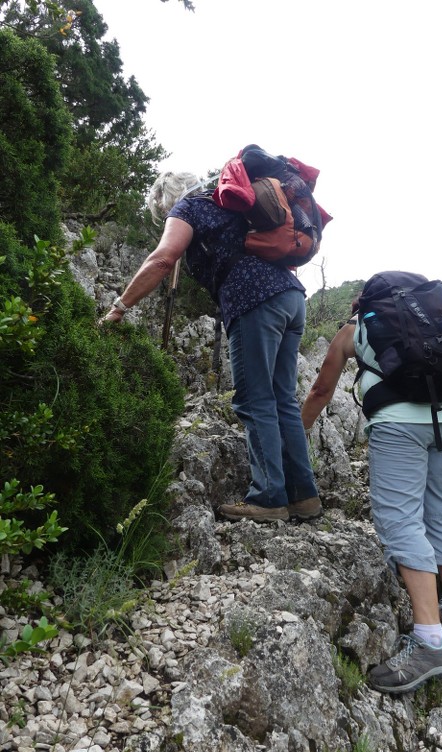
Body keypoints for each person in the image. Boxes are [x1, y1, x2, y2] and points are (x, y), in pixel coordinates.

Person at [102, 171, 322, 524]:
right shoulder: (225, 201)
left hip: (255, 300)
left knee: (255, 399)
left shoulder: (187, 208)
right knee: (282, 400)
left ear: (164, 200)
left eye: (160, 212)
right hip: (291, 297)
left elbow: (162, 258)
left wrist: (119, 307)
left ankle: (269, 498)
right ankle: (304, 496)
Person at [301, 290, 442, 694]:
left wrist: (302, 431)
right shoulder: (431, 326)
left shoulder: (354, 330)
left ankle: (432, 641)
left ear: (360, 305)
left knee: (400, 521)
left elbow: (321, 392)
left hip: (399, 425)